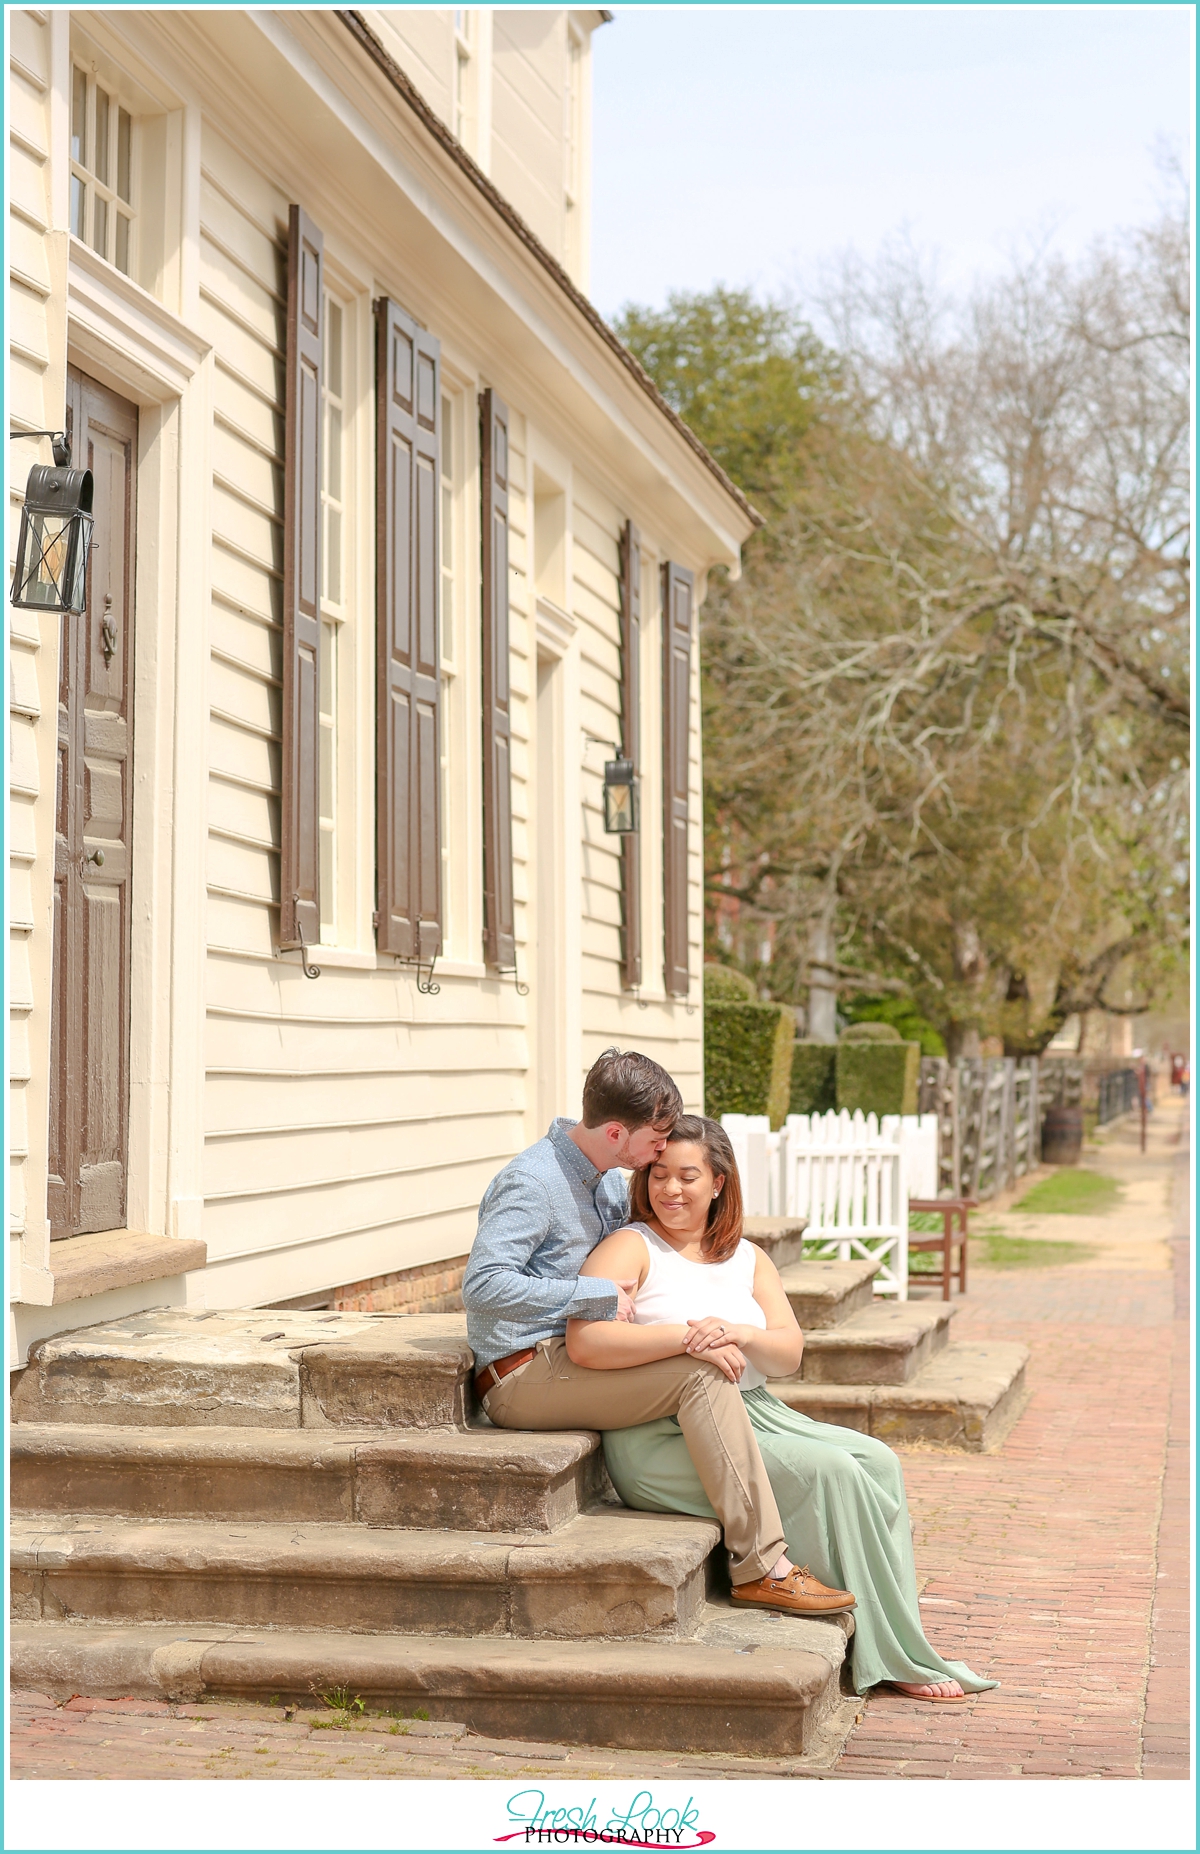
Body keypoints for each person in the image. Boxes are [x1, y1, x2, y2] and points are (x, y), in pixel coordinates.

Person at [570, 1114, 997, 1703]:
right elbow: (586, 1341)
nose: (669, 1189)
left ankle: (902, 1632)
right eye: (658, 1174)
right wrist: (686, 1339)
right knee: (835, 1473)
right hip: (667, 1431)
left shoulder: (747, 1257)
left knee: (878, 1461)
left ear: (719, 1182)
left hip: (759, 1411)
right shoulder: (629, 1246)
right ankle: (891, 1654)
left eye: (687, 1176)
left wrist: (739, 1334)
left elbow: (789, 1351)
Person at [462, 1048, 853, 1616]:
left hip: (572, 1362)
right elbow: (483, 1286)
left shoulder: (606, 1180)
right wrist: (593, 1296)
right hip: (522, 1374)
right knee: (700, 1370)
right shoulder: (533, 1182)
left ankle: (763, 1560)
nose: (661, 1152)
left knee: (706, 1363)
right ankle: (763, 1567)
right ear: (618, 1132)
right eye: (657, 1138)